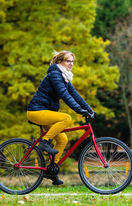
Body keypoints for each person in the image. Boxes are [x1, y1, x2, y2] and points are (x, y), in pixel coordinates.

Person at [27, 50, 95, 185]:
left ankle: (51, 170)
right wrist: (78, 110)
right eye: (68, 61)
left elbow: (75, 95)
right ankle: (44, 142)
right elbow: (64, 95)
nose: (71, 64)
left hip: (45, 113)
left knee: (62, 139)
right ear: (60, 62)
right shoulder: (55, 75)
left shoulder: (64, 77)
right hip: (36, 112)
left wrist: (89, 110)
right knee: (66, 118)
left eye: (72, 62)